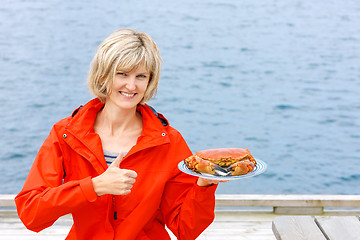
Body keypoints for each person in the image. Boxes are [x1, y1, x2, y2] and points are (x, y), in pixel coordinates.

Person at [15, 29, 223, 239]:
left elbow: (185, 229)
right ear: (103, 75)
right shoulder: (65, 134)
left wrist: (204, 184)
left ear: (150, 81)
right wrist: (94, 186)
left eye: (140, 76)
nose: (131, 86)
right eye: (122, 74)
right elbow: (31, 213)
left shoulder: (170, 141)